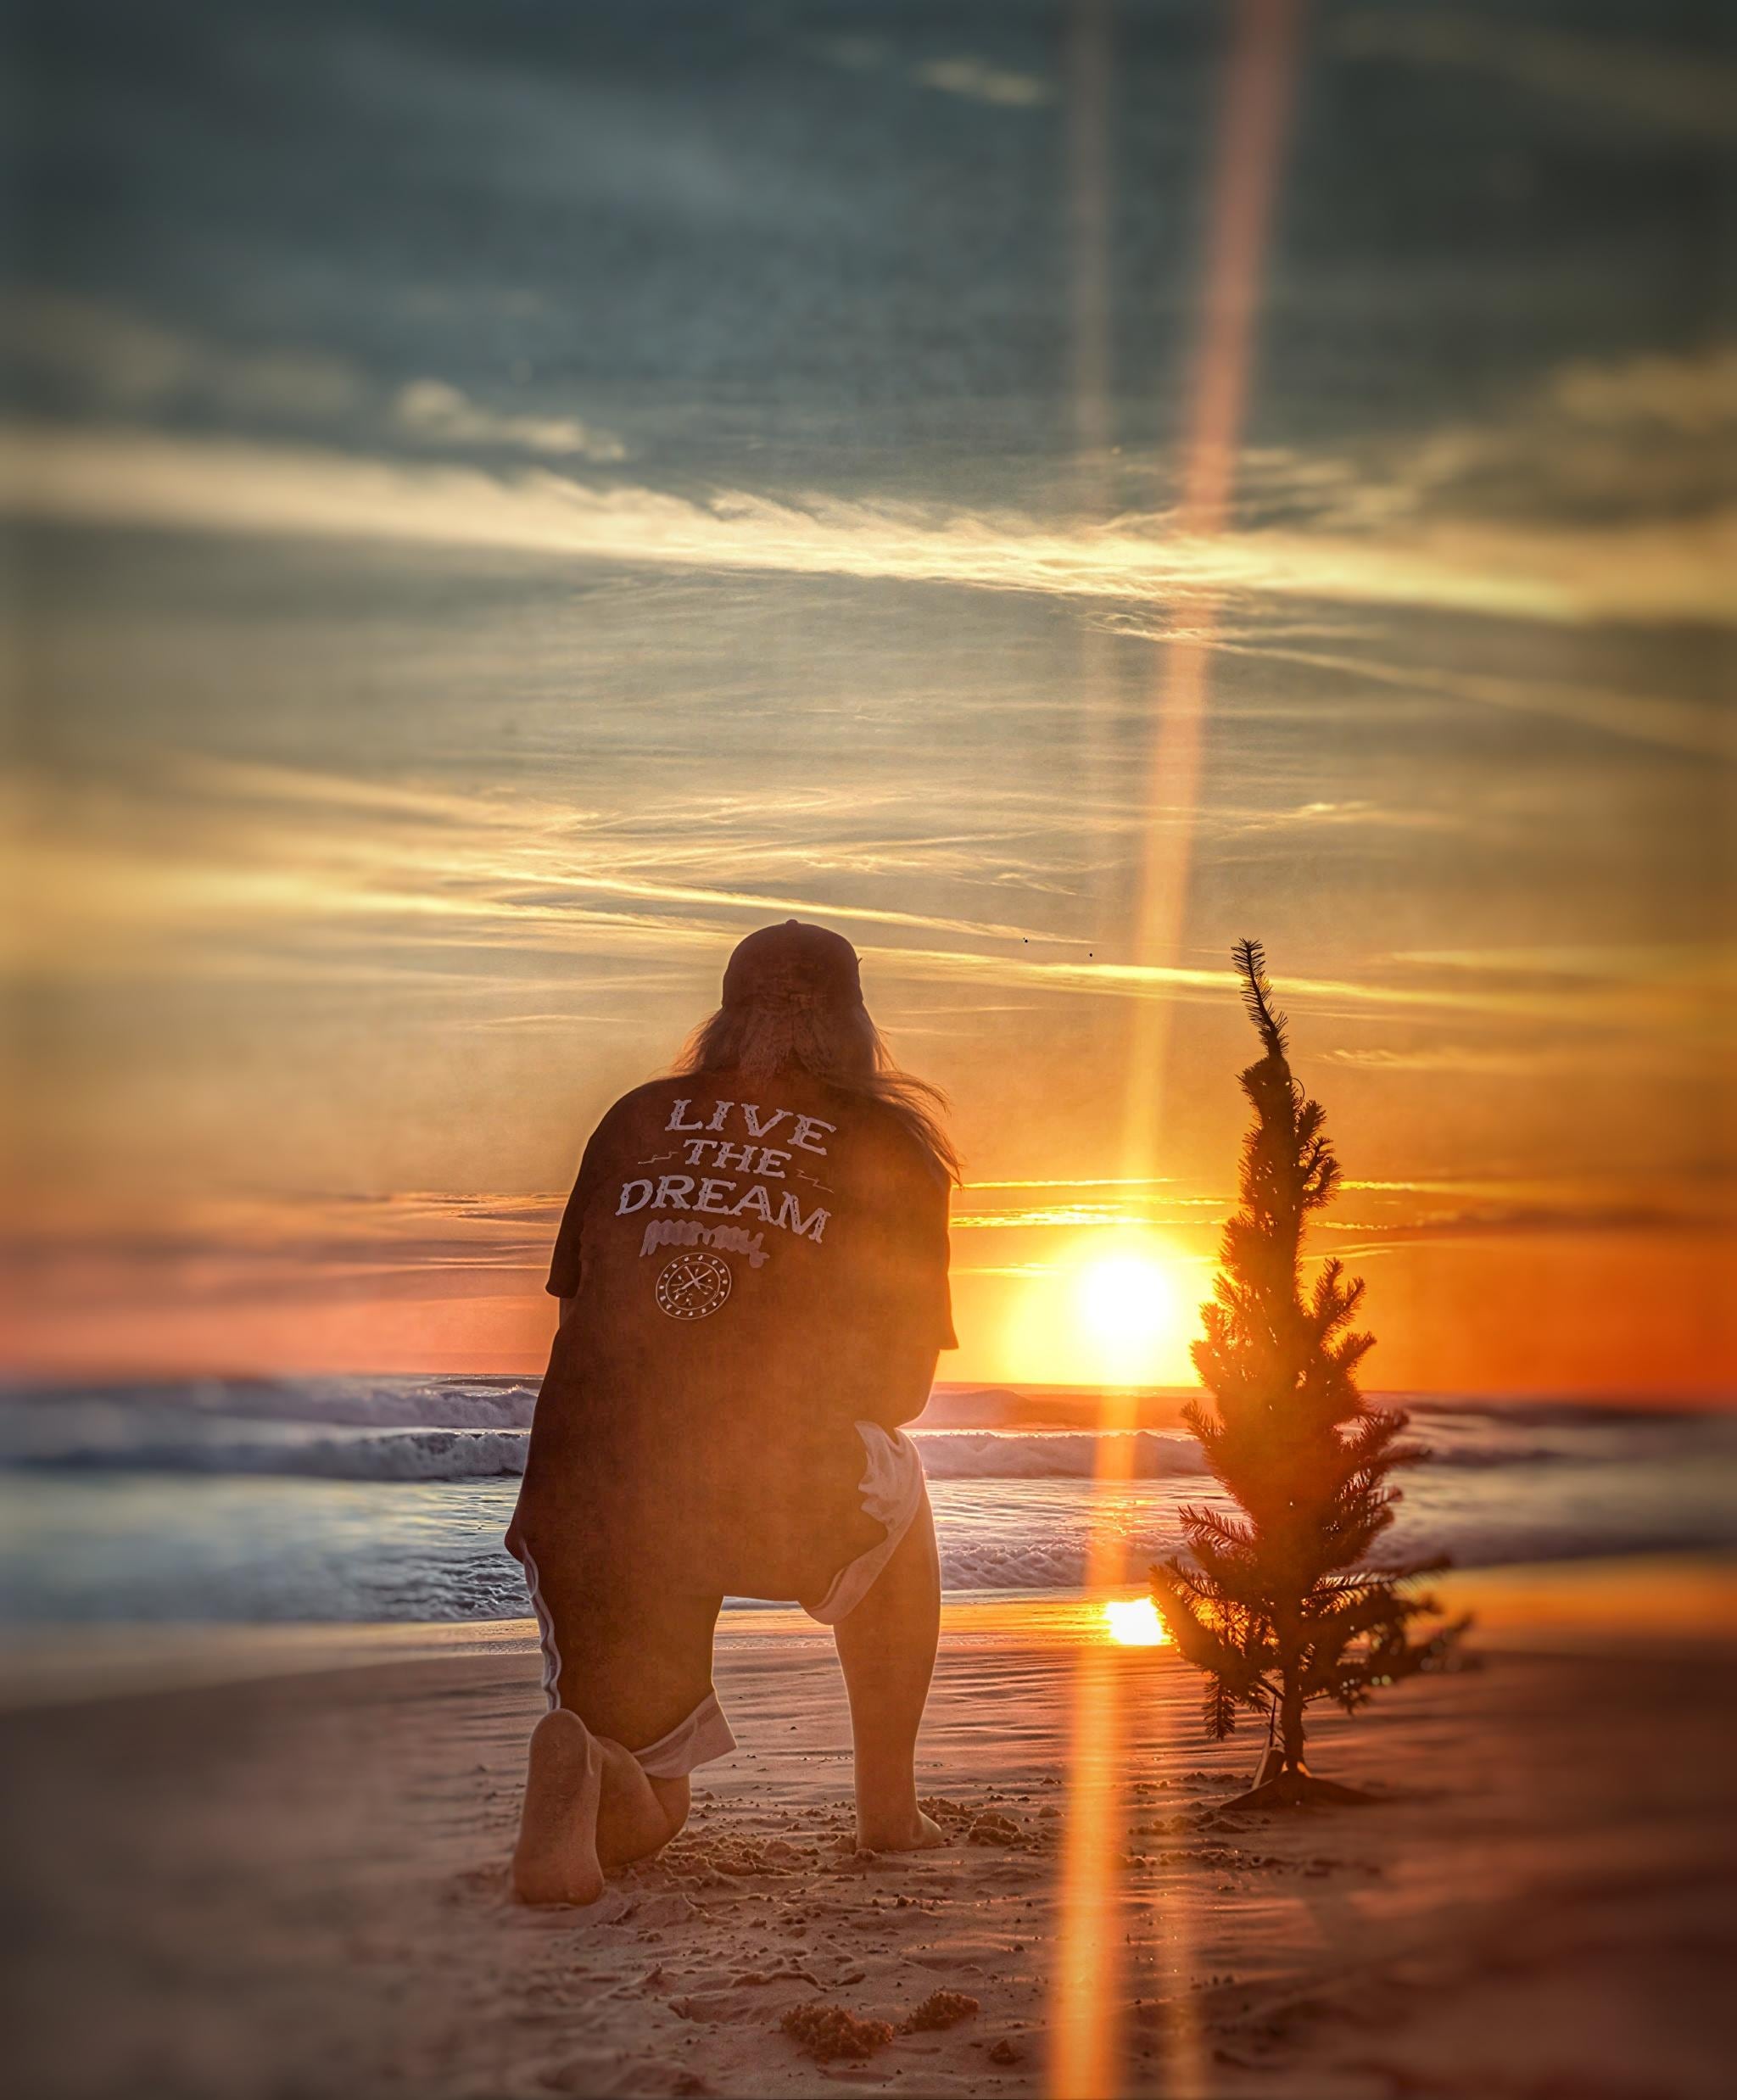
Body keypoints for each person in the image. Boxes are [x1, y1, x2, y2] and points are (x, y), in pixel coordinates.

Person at [505, 919, 961, 1904]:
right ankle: (889, 1812)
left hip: (588, 1494)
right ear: (855, 1023)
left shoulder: (633, 1118)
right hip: (755, 1477)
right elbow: (903, 1391)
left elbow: (583, 1331)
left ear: (721, 1017)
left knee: (655, 1802)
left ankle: (591, 1775)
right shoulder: (888, 1147)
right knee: (899, 1475)